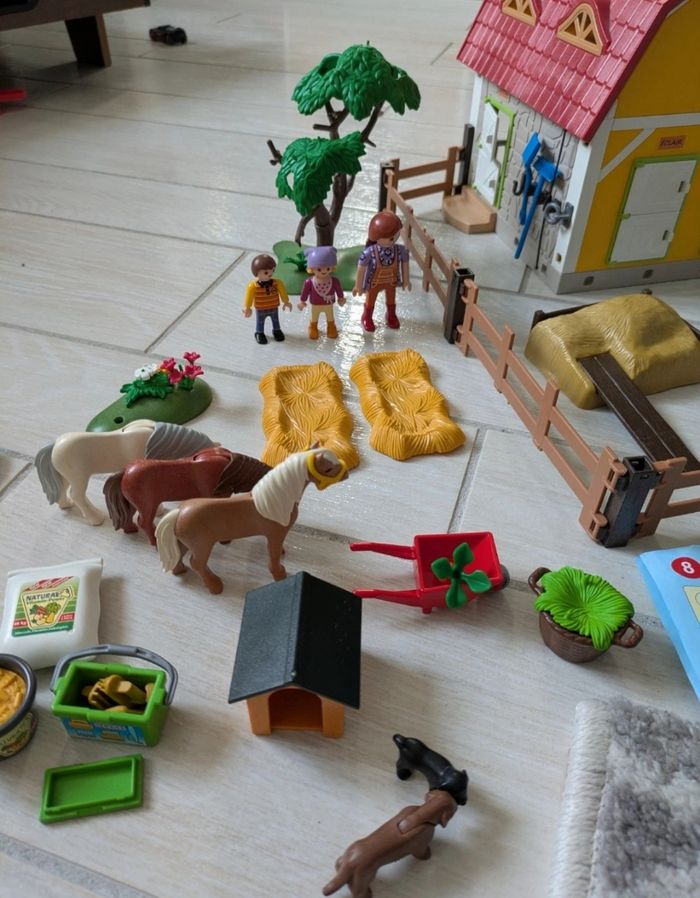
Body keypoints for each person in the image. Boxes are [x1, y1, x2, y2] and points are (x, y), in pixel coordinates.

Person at [353, 211, 411, 332]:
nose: (394, 238)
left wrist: (406, 281)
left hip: (391, 281)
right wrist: (358, 286)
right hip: (374, 282)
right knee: (370, 300)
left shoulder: (399, 250)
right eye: (391, 236)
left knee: (391, 299)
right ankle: (367, 316)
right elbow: (361, 267)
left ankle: (391, 315)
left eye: (396, 235)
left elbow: (405, 263)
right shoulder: (370, 252)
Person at [297, 246, 346, 340]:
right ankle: (313, 327)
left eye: (327, 268)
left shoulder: (334, 281)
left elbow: (339, 290)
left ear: (332, 267)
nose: (324, 271)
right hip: (316, 304)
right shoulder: (309, 282)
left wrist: (341, 298)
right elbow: (305, 292)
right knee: (314, 317)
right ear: (312, 269)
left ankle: (331, 327)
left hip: (328, 304)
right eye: (319, 269)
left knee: (330, 316)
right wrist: (302, 301)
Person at [243, 254, 292, 344]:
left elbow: (282, 292)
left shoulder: (277, 283)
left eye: (272, 271)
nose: (270, 274)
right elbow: (249, 296)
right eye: (266, 272)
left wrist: (286, 302)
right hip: (261, 308)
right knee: (260, 321)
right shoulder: (253, 286)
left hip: (273, 307)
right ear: (256, 273)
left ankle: (276, 330)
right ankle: (259, 332)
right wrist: (247, 307)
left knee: (275, 320)